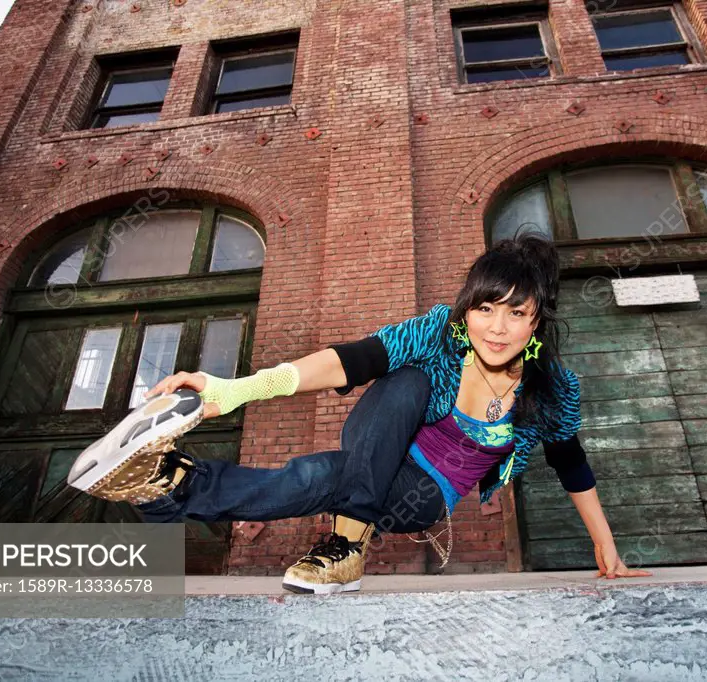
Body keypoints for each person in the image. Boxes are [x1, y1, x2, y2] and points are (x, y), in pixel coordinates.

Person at [74, 232, 651, 593]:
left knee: (332, 474)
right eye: (484, 309)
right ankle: (172, 489)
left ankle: (176, 486)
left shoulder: (552, 388)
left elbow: (571, 463)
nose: (496, 328)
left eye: (516, 314)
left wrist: (606, 544)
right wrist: (234, 390)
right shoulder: (438, 333)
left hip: (423, 495)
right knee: (402, 379)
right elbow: (349, 361)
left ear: (536, 321)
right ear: (466, 309)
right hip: (381, 445)